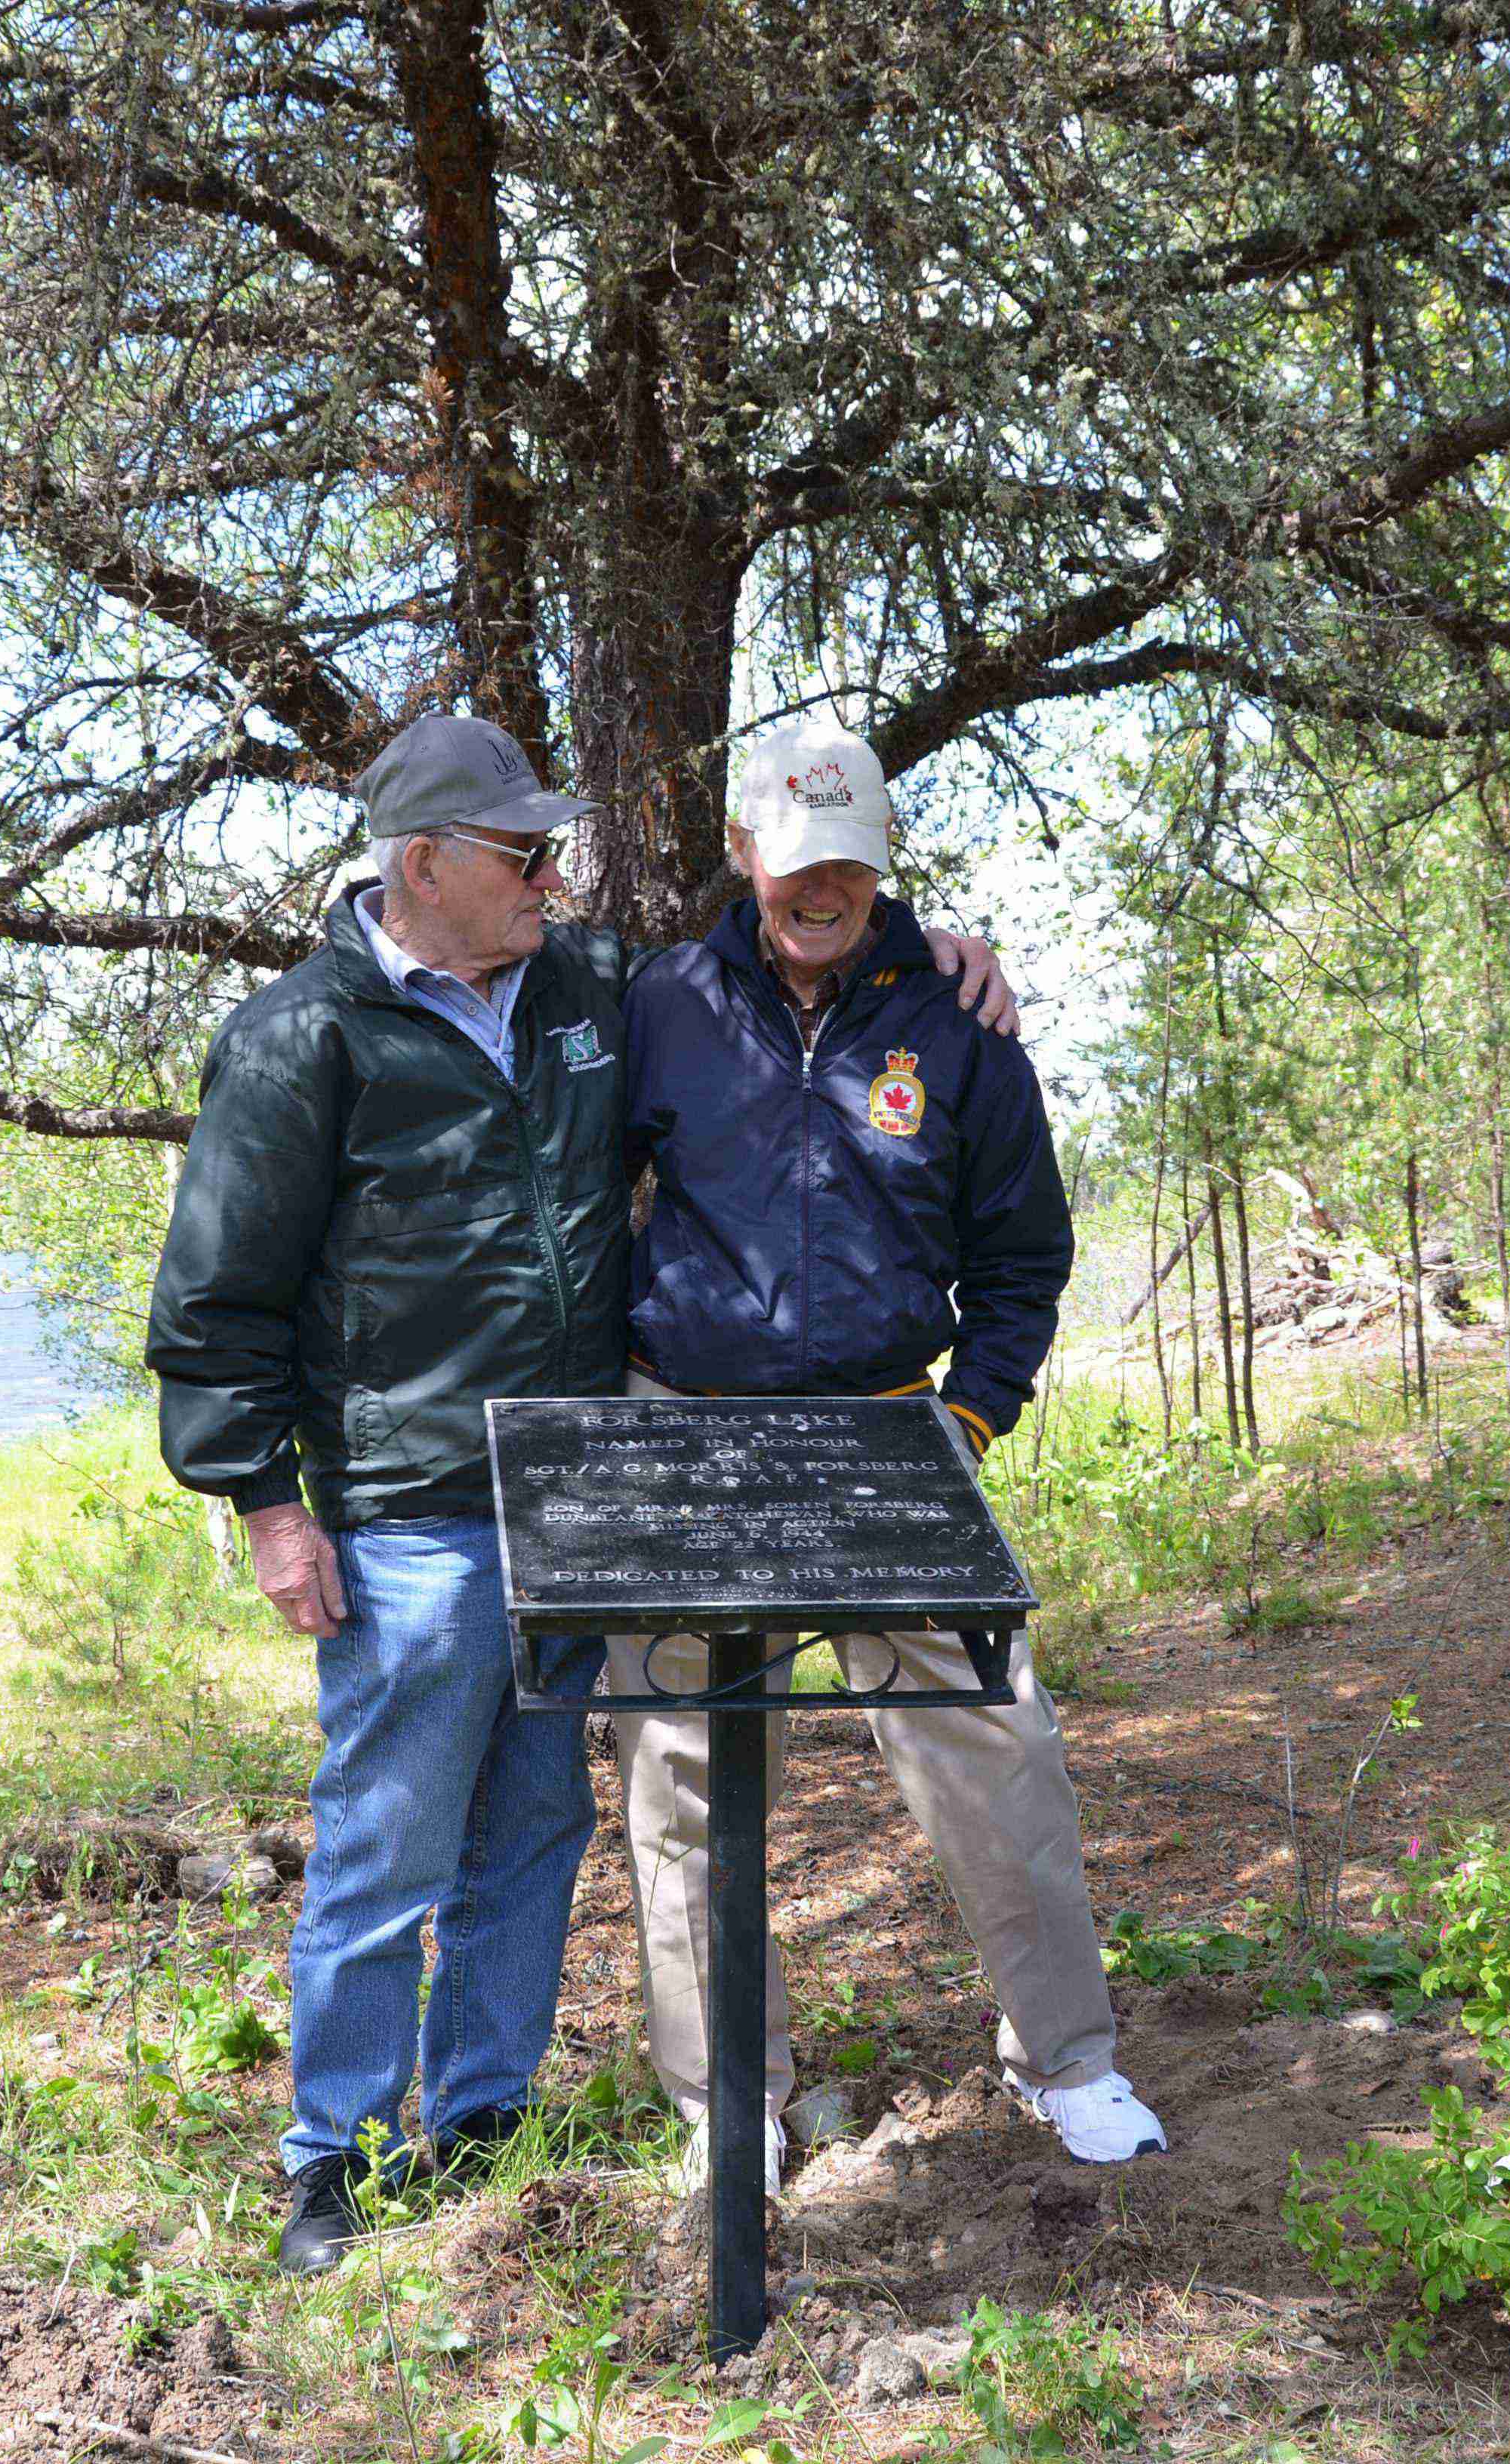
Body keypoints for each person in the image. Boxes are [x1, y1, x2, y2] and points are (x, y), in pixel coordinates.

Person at [143, 712, 1019, 2278]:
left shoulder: (590, 989)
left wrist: (934, 952)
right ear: (423, 865)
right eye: (521, 854)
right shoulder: (300, 1039)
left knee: (538, 1827)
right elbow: (218, 1301)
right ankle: (333, 2157)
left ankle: (484, 2116)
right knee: (386, 1840)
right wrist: (267, 1504)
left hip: (582, 1493)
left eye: (552, 853)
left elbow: (785, 961)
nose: (553, 876)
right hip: (409, 1509)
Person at [606, 715, 1166, 2192]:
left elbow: (1024, 1256)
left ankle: (1069, 2063)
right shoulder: (658, 1003)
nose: (822, 890)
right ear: (744, 853)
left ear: (883, 862)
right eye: (796, 862)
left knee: (999, 1748)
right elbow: (575, 1196)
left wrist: (968, 1417)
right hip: (692, 1435)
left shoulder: (959, 1024)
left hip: (889, 1433)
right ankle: (732, 2105)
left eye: (849, 864)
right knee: (685, 1782)